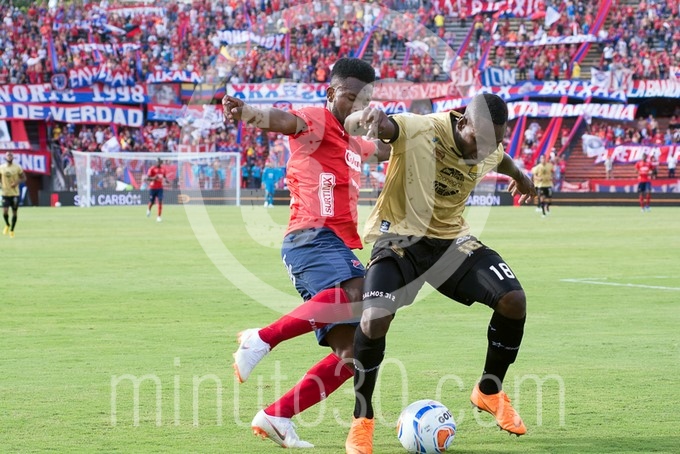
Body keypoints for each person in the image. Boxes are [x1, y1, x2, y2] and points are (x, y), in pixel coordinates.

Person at [342, 94, 536, 454]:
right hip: (400, 238)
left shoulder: (488, 145)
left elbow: (502, 160)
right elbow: (386, 127)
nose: (484, 151)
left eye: (494, 142)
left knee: (513, 300)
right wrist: (375, 120)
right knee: (373, 320)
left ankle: (489, 391)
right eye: (479, 140)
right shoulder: (421, 128)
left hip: (450, 243)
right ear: (462, 123)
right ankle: (361, 420)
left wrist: (522, 179)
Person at [223, 57, 390, 449]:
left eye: (364, 101)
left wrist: (414, 134)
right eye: (350, 98)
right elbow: (283, 120)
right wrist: (247, 112)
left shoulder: (355, 143)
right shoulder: (317, 119)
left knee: (352, 354)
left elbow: (385, 149)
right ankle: (261, 339)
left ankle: (276, 415)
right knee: (361, 291)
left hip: (332, 246)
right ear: (331, 93)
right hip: (311, 236)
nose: (356, 107)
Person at [1, 152, 26, 238]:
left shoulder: (17, 167)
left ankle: (12, 230)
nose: (9, 157)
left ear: (13, 157)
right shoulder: (1, 167)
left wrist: (16, 183)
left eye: (11, 155)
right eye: (8, 155)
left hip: (15, 193)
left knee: (14, 212)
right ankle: (7, 224)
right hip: (5, 193)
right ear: (5, 157)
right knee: (5, 212)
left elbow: (24, 177)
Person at [145, 158, 169, 222]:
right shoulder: (152, 169)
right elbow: (147, 178)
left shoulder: (163, 169)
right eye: (158, 162)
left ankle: (159, 217)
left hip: (160, 188)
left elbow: (164, 177)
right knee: (152, 202)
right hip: (152, 188)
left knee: (160, 201)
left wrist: (166, 180)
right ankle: (149, 209)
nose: (159, 163)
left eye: (160, 162)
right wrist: (154, 178)